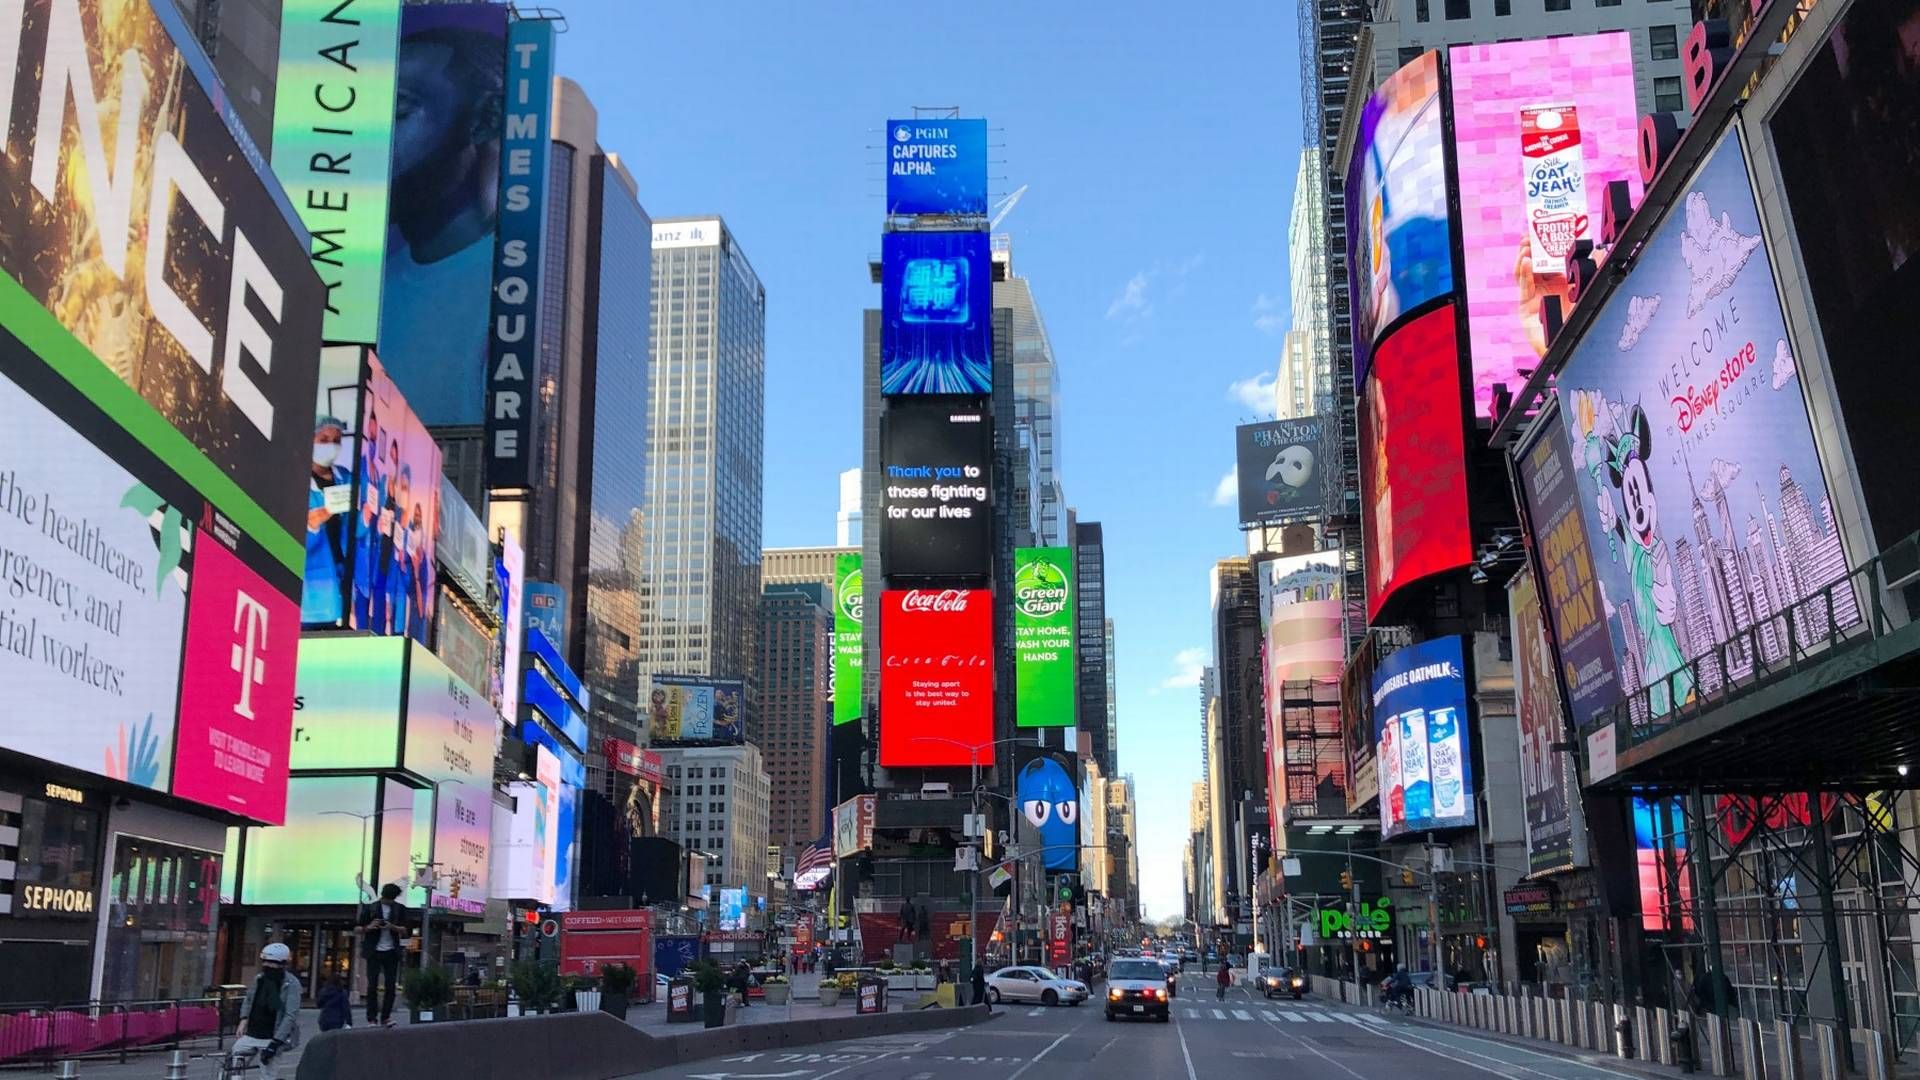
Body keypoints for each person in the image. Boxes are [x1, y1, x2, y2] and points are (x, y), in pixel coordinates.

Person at [234, 943, 301, 1077]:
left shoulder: (291, 984)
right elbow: (249, 999)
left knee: (268, 1075)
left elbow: (290, 1015)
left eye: (271, 962)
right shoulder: (259, 978)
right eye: (264, 961)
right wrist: (244, 1019)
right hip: (251, 1034)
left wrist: (276, 1042)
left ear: (282, 964)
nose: (266, 965)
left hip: (271, 1036)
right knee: (234, 1067)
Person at [355, 883, 409, 1026]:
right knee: (372, 986)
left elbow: (405, 930)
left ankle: (386, 1017)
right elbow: (357, 928)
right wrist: (369, 927)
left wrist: (392, 926)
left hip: (391, 951)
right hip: (374, 951)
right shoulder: (371, 908)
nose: (390, 902)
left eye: (393, 899)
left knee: (390, 986)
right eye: (388, 899)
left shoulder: (399, 909)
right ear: (383, 896)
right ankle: (371, 1018)